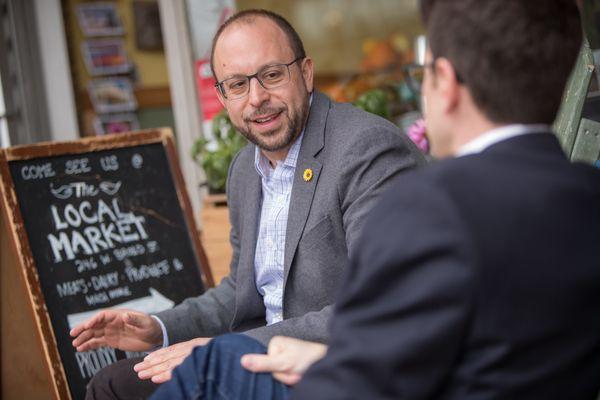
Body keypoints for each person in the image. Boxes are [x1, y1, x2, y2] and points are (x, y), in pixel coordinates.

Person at [149, 0, 600, 399]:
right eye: (237, 84)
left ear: (443, 82)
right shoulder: (587, 198)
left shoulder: (427, 207)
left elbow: (379, 368)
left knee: (208, 370)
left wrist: (297, 358)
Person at [70, 9, 425, 400]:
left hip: (336, 372)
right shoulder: (245, 170)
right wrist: (159, 328)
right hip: (259, 360)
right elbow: (242, 289)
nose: (257, 98)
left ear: (305, 73)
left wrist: (224, 351)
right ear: (222, 97)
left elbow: (382, 305)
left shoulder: (367, 150)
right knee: (112, 386)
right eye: (237, 84)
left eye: (272, 75)